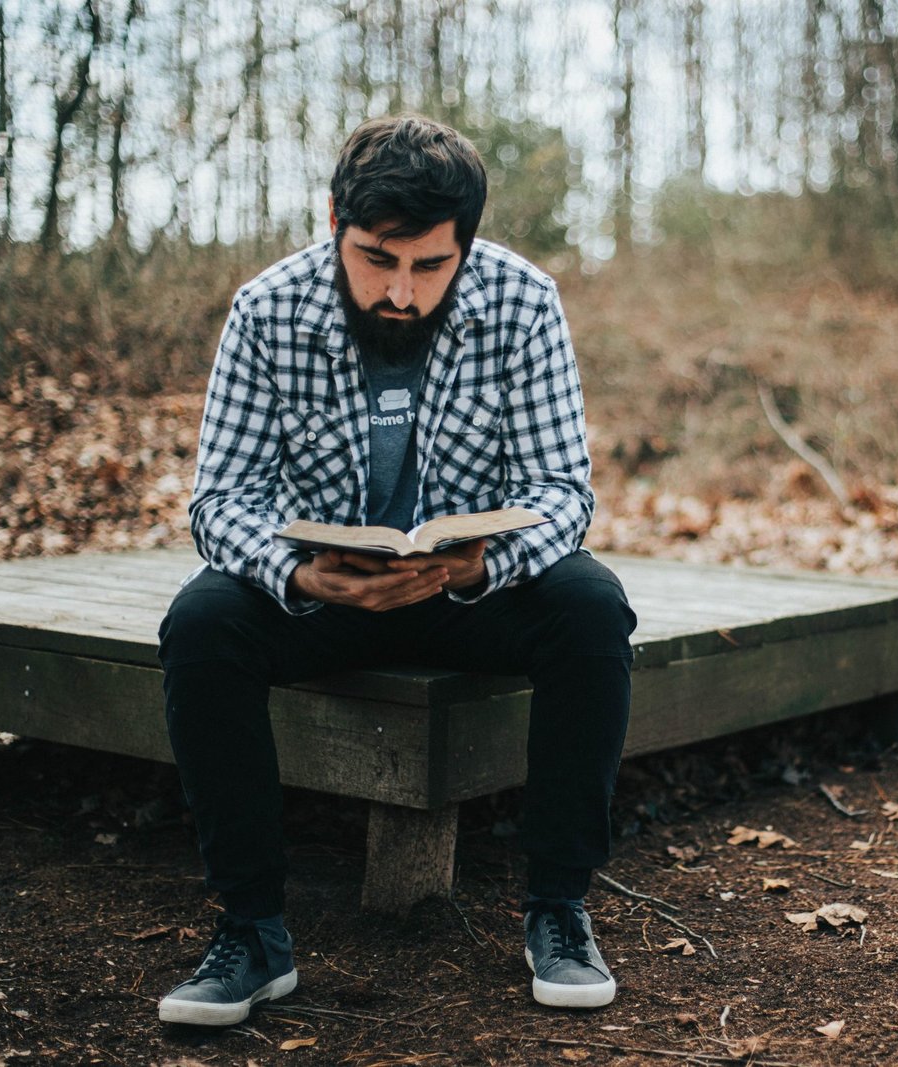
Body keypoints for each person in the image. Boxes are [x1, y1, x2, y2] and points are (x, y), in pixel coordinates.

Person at [154, 115, 636, 1026]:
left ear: (468, 245)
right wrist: (300, 576)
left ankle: (559, 909)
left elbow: (563, 490)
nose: (401, 292)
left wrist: (477, 565)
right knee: (203, 620)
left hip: (469, 590)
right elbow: (220, 500)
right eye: (377, 259)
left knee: (591, 602)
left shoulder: (525, 301)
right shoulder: (269, 307)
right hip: (326, 592)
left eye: (429, 266)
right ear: (334, 218)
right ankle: (251, 929)